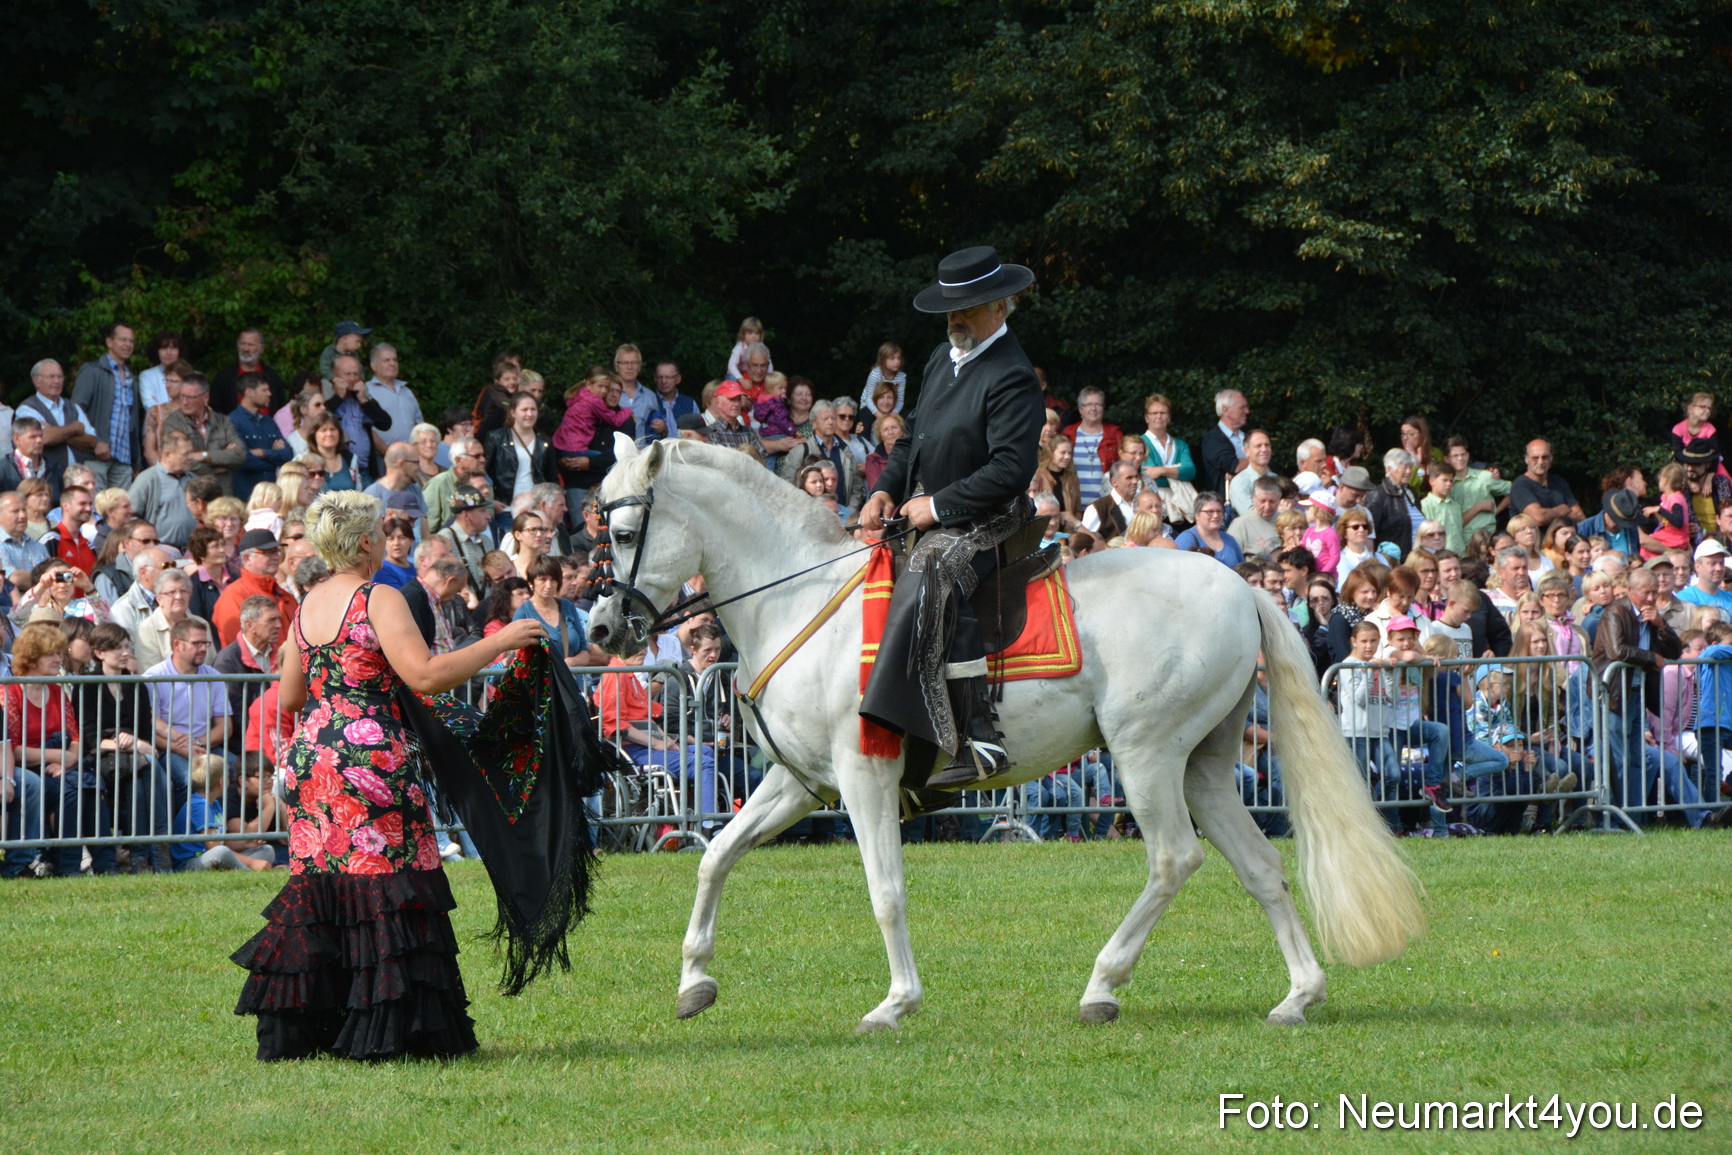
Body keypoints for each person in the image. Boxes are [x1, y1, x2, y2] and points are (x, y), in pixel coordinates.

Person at [859, 245, 1043, 785]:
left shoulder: (1014, 374)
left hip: (994, 515)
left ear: (1001, 307)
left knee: (936, 569)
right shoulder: (943, 359)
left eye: (968, 307)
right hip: (928, 509)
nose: (955, 318)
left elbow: (1010, 469)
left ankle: (980, 738)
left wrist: (935, 506)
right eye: (949, 308)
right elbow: (911, 437)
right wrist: (886, 489)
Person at [161, 372, 246, 495]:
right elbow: (178, 460)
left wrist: (203, 455)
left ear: (205, 398)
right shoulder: (172, 422)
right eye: (182, 396)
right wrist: (220, 467)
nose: (184, 402)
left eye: (190, 397)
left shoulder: (222, 421)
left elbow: (240, 455)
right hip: (190, 496)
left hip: (221, 495)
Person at [212, 530, 299, 647]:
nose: (275, 557)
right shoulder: (234, 595)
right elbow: (238, 647)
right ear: (247, 558)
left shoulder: (284, 594)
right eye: (268, 552)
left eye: (276, 552)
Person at [228, 372, 293, 497]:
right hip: (247, 497)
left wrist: (262, 453)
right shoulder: (232, 421)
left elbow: (288, 454)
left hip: (271, 496)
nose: (269, 393)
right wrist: (273, 458)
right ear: (249, 392)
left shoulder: (268, 421)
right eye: (264, 390)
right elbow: (243, 461)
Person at [1137, 393, 1196, 516]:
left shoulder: (1180, 445)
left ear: (1169, 417)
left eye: (1163, 413)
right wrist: (1178, 472)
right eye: (1154, 413)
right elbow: (1152, 478)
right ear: (1146, 417)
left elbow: (1190, 471)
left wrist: (1161, 470)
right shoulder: (1139, 443)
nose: (1159, 416)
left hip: (1181, 508)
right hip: (1152, 507)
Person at [1060, 387, 1120, 503]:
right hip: (1073, 504)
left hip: (1106, 505)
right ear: (1081, 409)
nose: (1094, 409)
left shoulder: (1114, 433)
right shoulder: (1068, 433)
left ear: (1103, 408)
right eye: (1089, 404)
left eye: (1098, 404)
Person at [1511, 438, 1585, 529]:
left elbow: (1580, 516)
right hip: (1535, 542)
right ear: (1526, 460)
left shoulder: (1559, 482)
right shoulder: (1520, 485)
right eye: (1535, 458)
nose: (1540, 462)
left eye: (1545, 457)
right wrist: (1561, 510)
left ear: (1551, 458)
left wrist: (1548, 514)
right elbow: (1539, 518)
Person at [1197, 388, 1249, 495]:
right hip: (1225, 505)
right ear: (1225, 409)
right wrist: (1260, 461)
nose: (1247, 411)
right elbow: (1234, 466)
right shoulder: (1212, 439)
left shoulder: (1249, 437)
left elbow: (1273, 465)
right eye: (1242, 408)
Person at [1173, 492, 1244, 566]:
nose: (1216, 515)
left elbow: (1242, 570)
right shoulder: (1186, 539)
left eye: (1219, 511)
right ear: (1197, 515)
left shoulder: (1229, 539)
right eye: (1210, 512)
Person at [861, 341, 907, 415]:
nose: (897, 362)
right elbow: (868, 399)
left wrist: (893, 414)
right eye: (892, 358)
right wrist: (879, 415)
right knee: (866, 416)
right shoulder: (875, 374)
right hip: (871, 406)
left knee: (907, 415)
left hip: (890, 406)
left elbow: (900, 400)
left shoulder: (901, 376)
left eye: (899, 358)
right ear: (883, 360)